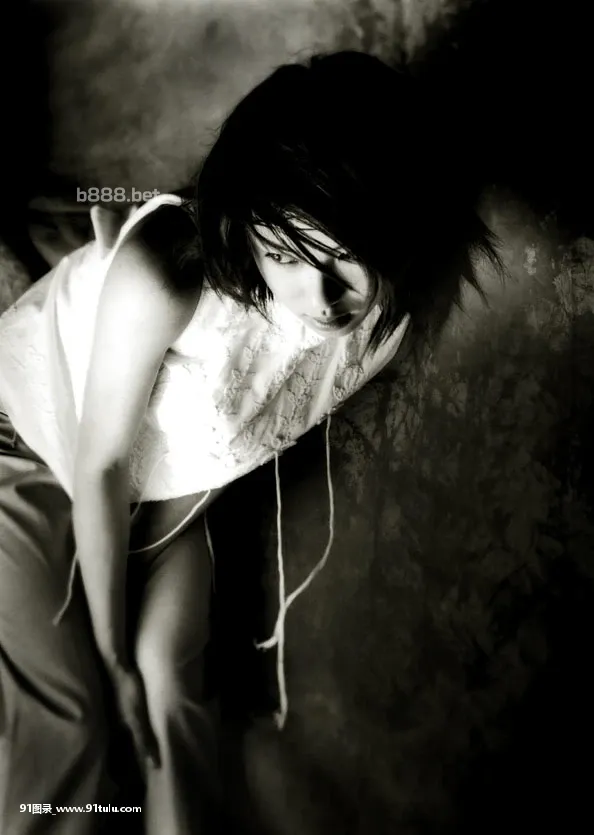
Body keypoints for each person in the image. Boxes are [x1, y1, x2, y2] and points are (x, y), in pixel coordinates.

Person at [0, 51, 502, 834]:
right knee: (74, 722)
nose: (320, 296)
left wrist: (142, 657)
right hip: (32, 450)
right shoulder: (169, 268)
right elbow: (99, 464)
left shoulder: (389, 309)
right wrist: (112, 657)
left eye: (344, 258)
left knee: (176, 701)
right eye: (287, 257)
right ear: (244, 226)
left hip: (164, 507)